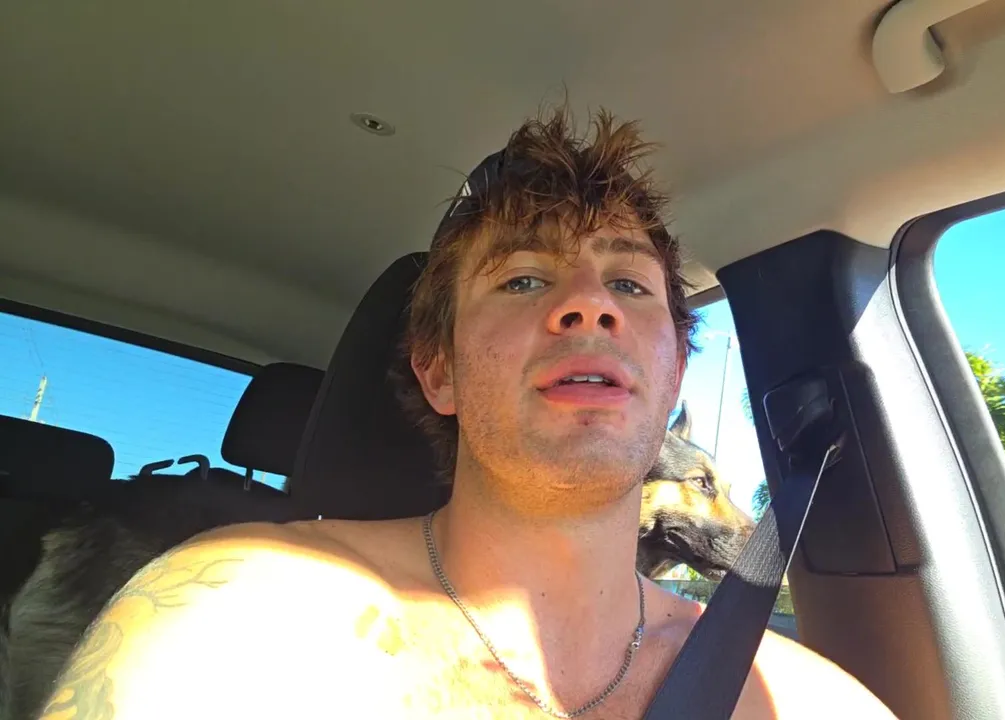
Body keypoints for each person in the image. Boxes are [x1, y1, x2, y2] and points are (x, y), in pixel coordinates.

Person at [37, 105, 897, 720]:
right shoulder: (243, 617)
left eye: (629, 284)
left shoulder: (798, 698)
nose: (590, 304)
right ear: (438, 371)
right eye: (523, 279)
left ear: (673, 378)